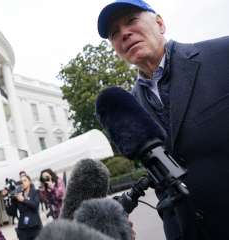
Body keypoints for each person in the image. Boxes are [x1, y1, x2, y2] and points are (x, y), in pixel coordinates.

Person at [97, 0, 229, 239]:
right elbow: (163, 186)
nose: (124, 33)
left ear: (160, 23)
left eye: (131, 20)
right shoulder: (129, 108)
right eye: (114, 33)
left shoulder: (223, 55)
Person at [5, 175, 42, 240]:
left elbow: (35, 206)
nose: (23, 182)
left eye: (25, 180)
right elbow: (11, 212)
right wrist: (7, 199)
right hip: (23, 228)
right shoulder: (18, 194)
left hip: (35, 227)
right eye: (21, 181)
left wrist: (23, 200)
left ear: (29, 182)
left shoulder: (35, 192)